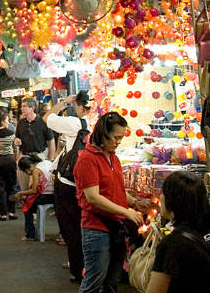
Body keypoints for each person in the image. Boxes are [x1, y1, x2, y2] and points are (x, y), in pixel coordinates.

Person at [74, 112, 144, 293]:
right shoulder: (87, 159)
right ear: (103, 134)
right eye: (116, 137)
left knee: (111, 282)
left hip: (116, 226)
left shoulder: (113, 157)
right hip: (97, 228)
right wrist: (127, 211)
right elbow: (93, 197)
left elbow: (115, 190)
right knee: (93, 282)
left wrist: (134, 202)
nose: (118, 141)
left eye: (121, 137)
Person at [44, 90, 92, 282]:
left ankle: (78, 269)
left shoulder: (75, 123)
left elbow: (48, 117)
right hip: (86, 181)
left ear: (80, 106)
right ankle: (83, 264)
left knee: (71, 228)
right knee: (85, 226)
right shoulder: (98, 124)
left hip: (68, 183)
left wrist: (64, 102)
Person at [146, 170, 210, 293]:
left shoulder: (172, 244)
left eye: (163, 193)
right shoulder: (200, 235)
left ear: (173, 200)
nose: (160, 197)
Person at [15, 97, 55, 189]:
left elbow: (51, 141)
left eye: (24, 106)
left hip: (39, 157)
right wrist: (16, 141)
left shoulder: (43, 122)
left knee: (38, 187)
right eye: (22, 106)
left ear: (32, 108)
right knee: (23, 186)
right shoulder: (21, 123)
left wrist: (49, 160)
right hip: (24, 158)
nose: (22, 109)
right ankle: (25, 202)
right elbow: (17, 137)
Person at [15, 155, 54, 241]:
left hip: (46, 196)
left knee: (27, 207)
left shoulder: (36, 171)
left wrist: (20, 193)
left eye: (26, 172)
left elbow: (34, 190)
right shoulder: (47, 162)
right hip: (55, 195)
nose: (28, 174)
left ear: (30, 167)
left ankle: (30, 234)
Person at [0, 107, 17, 220]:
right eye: (7, 120)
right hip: (9, 160)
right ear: (2, 121)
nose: (8, 122)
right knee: (11, 186)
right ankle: (11, 211)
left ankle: (3, 213)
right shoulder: (11, 133)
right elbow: (14, 148)